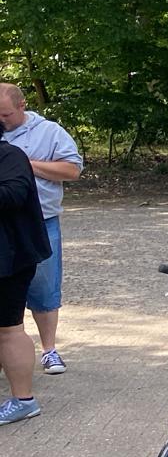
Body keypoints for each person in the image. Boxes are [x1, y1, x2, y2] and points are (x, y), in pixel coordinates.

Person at [0, 83, 83, 375]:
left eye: (6, 115)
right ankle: (9, 354)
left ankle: (49, 350)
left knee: (44, 288)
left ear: (22, 106)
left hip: (40, 222)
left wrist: (25, 164)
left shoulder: (49, 132)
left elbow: (72, 170)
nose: (2, 121)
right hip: (3, 225)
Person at [0, 140, 51, 424]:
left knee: (9, 329)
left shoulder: (10, 156)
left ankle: (24, 400)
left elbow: (14, 194)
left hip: (11, 261)